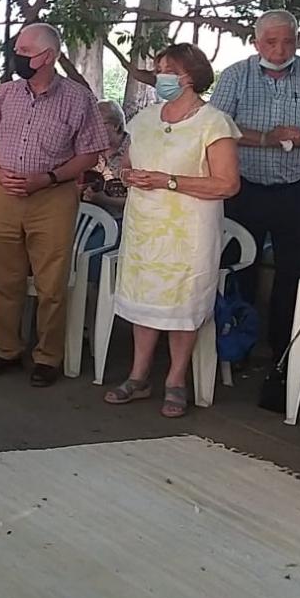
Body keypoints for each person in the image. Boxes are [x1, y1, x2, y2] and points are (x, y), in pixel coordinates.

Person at [104, 45, 241, 417]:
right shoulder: (144, 118)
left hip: (189, 230)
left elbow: (227, 184)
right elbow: (128, 164)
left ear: (190, 77)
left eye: (169, 69)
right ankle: (138, 375)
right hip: (146, 225)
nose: (161, 75)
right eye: (159, 67)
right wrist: (127, 175)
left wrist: (170, 182)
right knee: (144, 300)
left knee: (182, 302)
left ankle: (176, 380)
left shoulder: (214, 122)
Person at [211, 9, 300, 360]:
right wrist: (265, 139)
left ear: (297, 40)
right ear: (256, 42)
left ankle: (284, 349)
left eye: (287, 41)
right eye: (271, 42)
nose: (279, 50)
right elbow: (216, 125)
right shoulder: (235, 76)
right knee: (239, 264)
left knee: (295, 268)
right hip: (245, 186)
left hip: (299, 185)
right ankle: (238, 343)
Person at [0, 23, 109, 386]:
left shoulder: (78, 98)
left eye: (23, 50)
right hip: (5, 192)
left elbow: (91, 154)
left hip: (52, 196)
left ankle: (47, 357)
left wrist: (48, 178)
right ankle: (6, 349)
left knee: (52, 282)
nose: (16, 55)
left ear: (47, 57)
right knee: (4, 277)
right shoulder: (5, 94)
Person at [84, 100, 132, 218]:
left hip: (122, 221)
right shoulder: (89, 150)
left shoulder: (135, 150)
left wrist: (104, 200)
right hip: (88, 219)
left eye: (98, 124)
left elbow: (140, 200)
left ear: (116, 126)